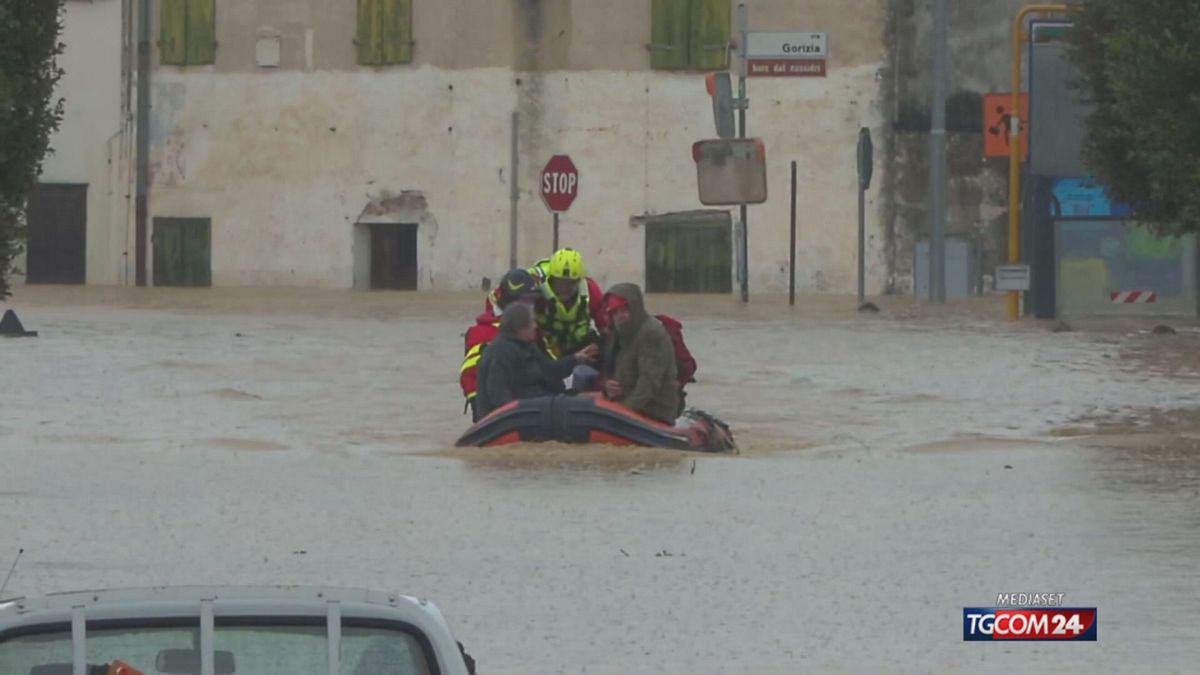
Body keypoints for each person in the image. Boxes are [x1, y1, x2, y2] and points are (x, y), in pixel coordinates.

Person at [475, 302, 599, 419]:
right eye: (532, 321)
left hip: (539, 407)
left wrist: (575, 358)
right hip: (519, 415)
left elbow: (550, 371)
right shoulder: (499, 353)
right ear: (520, 327)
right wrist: (516, 416)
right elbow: (497, 394)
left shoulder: (528, 346)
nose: (536, 325)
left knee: (591, 397)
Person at [460, 268, 542, 421]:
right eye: (526, 301)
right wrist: (475, 400)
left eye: (532, 301)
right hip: (493, 409)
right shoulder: (480, 333)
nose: (530, 306)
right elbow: (469, 372)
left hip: (527, 403)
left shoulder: (530, 328)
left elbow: (543, 365)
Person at [600, 283, 679, 424]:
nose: (620, 316)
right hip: (626, 400)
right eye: (615, 312)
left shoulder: (651, 333)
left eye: (624, 309)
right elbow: (611, 370)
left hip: (654, 410)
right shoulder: (619, 334)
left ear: (635, 308)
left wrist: (624, 412)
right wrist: (607, 386)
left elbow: (648, 382)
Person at [528, 248, 608, 359]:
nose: (564, 288)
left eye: (570, 283)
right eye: (560, 282)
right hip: (542, 348)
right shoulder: (536, 284)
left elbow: (605, 324)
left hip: (579, 347)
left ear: (578, 281)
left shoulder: (589, 289)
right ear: (551, 279)